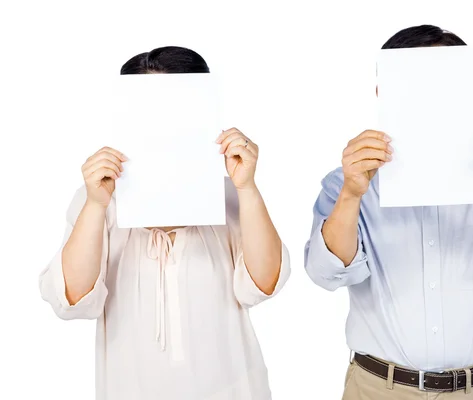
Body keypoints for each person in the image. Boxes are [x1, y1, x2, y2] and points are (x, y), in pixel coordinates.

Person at [304, 25, 473, 399]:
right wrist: (351, 194)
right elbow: (326, 274)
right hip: (379, 388)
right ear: (383, 93)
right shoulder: (346, 181)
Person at [39, 46, 291, 400]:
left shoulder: (231, 194)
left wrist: (247, 188)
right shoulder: (97, 200)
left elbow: (264, 284)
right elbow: (73, 299)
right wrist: (97, 205)